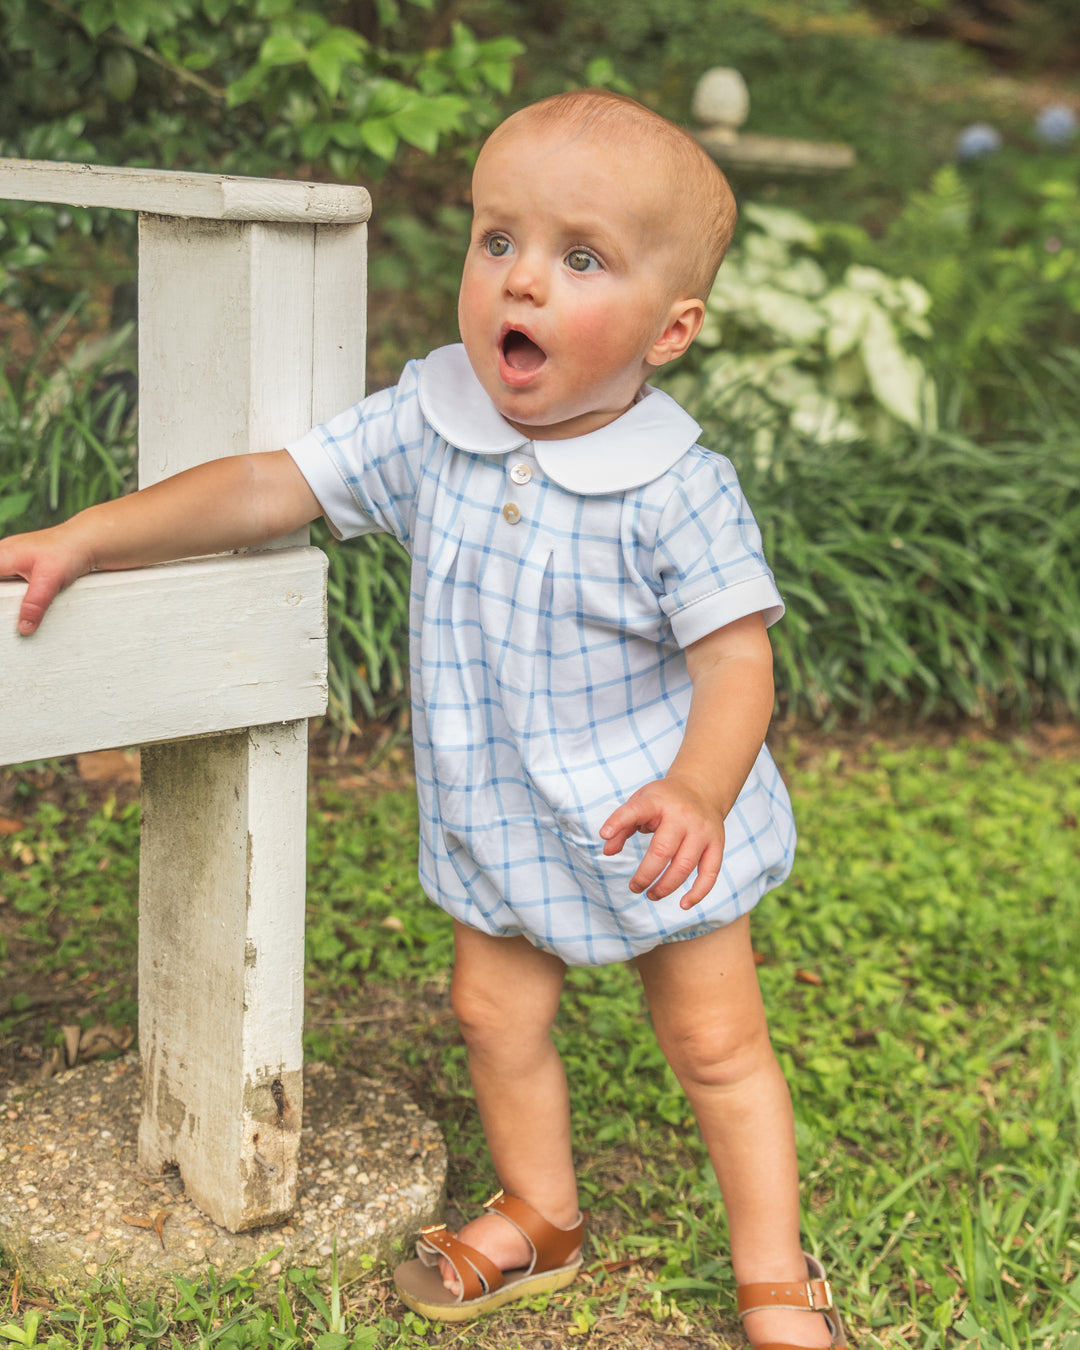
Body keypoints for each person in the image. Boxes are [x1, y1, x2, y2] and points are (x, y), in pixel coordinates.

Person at [0, 91, 847, 1348]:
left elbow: (737, 667)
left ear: (672, 330)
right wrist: (91, 537)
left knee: (716, 1045)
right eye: (497, 241)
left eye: (580, 259)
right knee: (494, 1016)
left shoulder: (677, 489)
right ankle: (542, 1214)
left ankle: (775, 1269)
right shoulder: (432, 425)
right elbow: (266, 484)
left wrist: (700, 792)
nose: (521, 284)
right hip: (498, 811)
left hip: (659, 817)